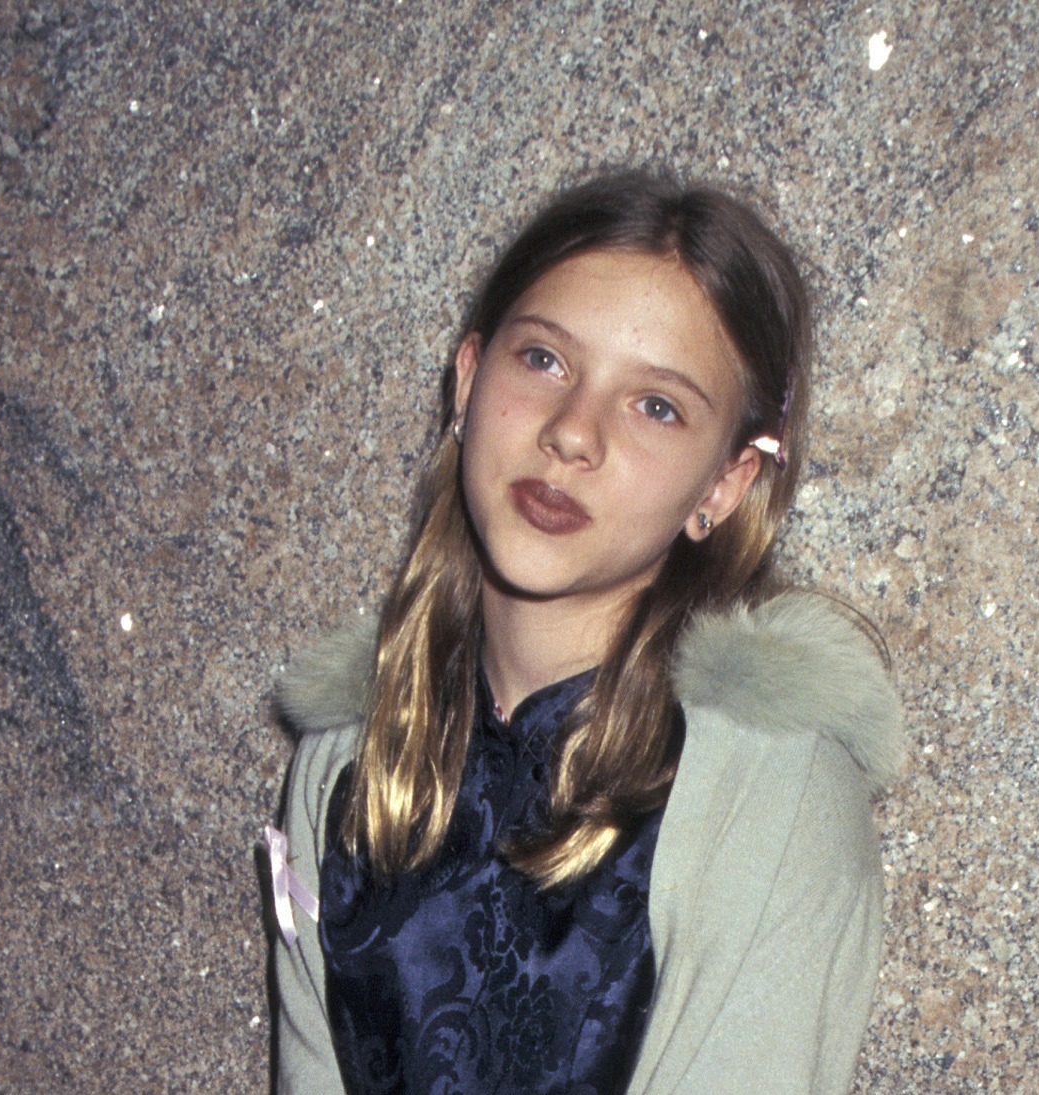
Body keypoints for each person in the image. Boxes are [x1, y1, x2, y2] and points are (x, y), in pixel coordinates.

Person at [267, 167, 902, 1094]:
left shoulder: (767, 792)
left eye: (656, 405)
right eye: (545, 360)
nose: (572, 433)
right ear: (468, 378)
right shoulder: (347, 764)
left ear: (722, 486)